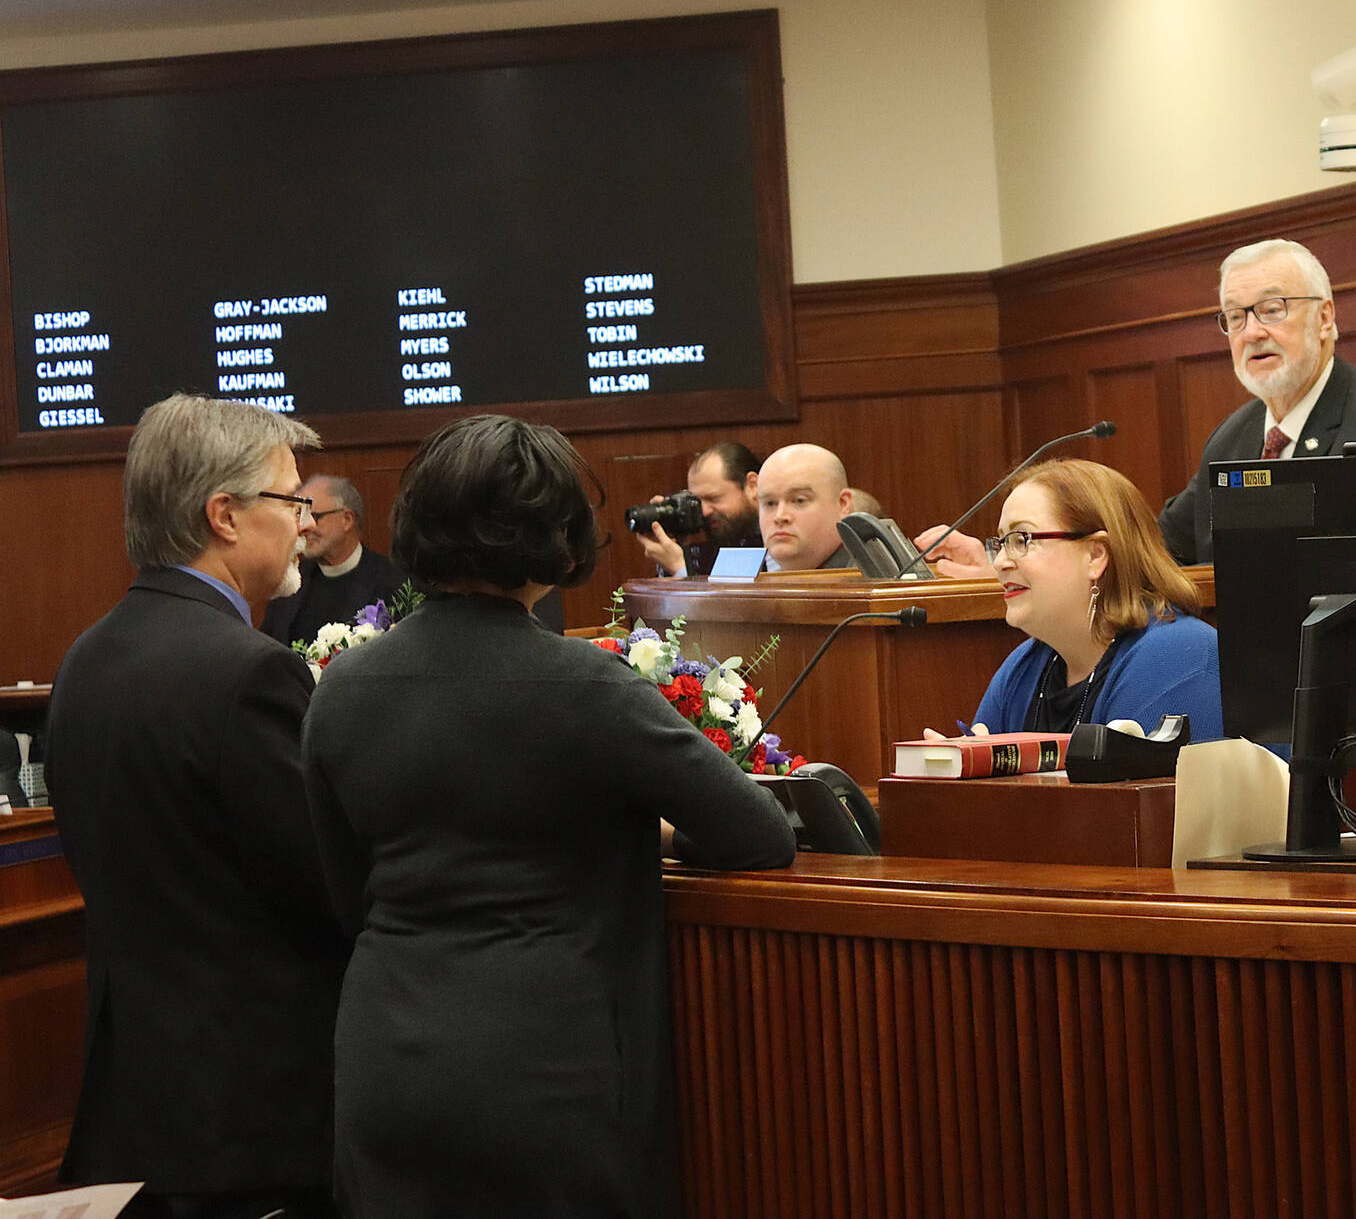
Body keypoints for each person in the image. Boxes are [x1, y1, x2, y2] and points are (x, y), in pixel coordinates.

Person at [301, 414, 796, 1219]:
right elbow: (760, 834)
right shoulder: (589, 686)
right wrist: (651, 826)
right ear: (560, 539)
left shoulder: (341, 689)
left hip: (383, 1054)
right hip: (546, 1064)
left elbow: (343, 887)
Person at [44, 393, 348, 1219]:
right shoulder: (249, 672)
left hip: (140, 1101)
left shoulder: (86, 656)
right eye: (291, 502)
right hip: (253, 1115)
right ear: (223, 514)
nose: (307, 525)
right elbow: (329, 886)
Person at [916, 238, 1356, 575]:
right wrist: (1003, 559)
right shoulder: (1233, 439)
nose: (1252, 331)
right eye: (1236, 317)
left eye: (1272, 310)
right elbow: (1156, 550)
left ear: (1325, 319)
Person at [953, 459, 1223, 741]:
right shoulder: (1025, 666)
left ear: (1095, 555)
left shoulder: (1176, 656)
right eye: (1001, 542)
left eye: (1022, 539)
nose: (1000, 562)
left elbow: (1141, 785)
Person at [261, 473, 405, 645]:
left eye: (315, 516)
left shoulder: (393, 583)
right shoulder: (290, 581)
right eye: (299, 515)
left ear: (347, 519)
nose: (304, 526)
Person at [634, 440, 763, 577]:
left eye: (713, 498)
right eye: (697, 502)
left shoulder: (778, 533)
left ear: (752, 485)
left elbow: (737, 597)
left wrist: (679, 568)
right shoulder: (718, 535)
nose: (704, 511)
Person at [756, 442, 856, 571]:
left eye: (799, 501)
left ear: (843, 504)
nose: (779, 516)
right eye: (770, 503)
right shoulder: (753, 586)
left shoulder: (877, 580)